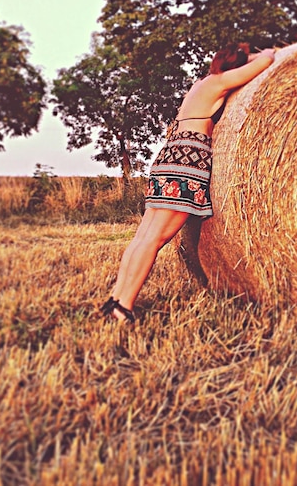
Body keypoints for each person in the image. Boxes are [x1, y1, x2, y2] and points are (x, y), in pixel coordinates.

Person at [100, 43, 276, 322]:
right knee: (155, 239)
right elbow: (264, 62)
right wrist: (263, 53)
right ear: (235, 66)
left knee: (144, 236)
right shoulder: (221, 82)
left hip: (169, 157)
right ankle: (124, 308)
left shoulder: (201, 84)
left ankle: (116, 299)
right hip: (188, 161)